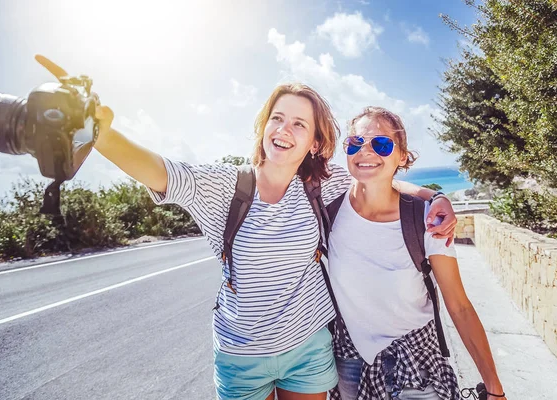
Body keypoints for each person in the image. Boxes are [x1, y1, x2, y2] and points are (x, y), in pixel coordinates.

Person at [34, 56, 458, 400]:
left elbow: (377, 175)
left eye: (298, 123)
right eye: (278, 118)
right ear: (264, 126)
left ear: (314, 142)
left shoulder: (318, 184)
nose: (284, 129)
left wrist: (434, 197)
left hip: (308, 345)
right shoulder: (224, 186)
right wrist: (100, 134)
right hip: (240, 354)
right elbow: (157, 170)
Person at [327, 107, 506, 400]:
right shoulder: (331, 207)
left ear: (401, 157)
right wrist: (436, 194)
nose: (365, 152)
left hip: (416, 366)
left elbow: (459, 306)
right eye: (356, 143)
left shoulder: (426, 220)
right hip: (350, 362)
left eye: (381, 144)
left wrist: (494, 389)